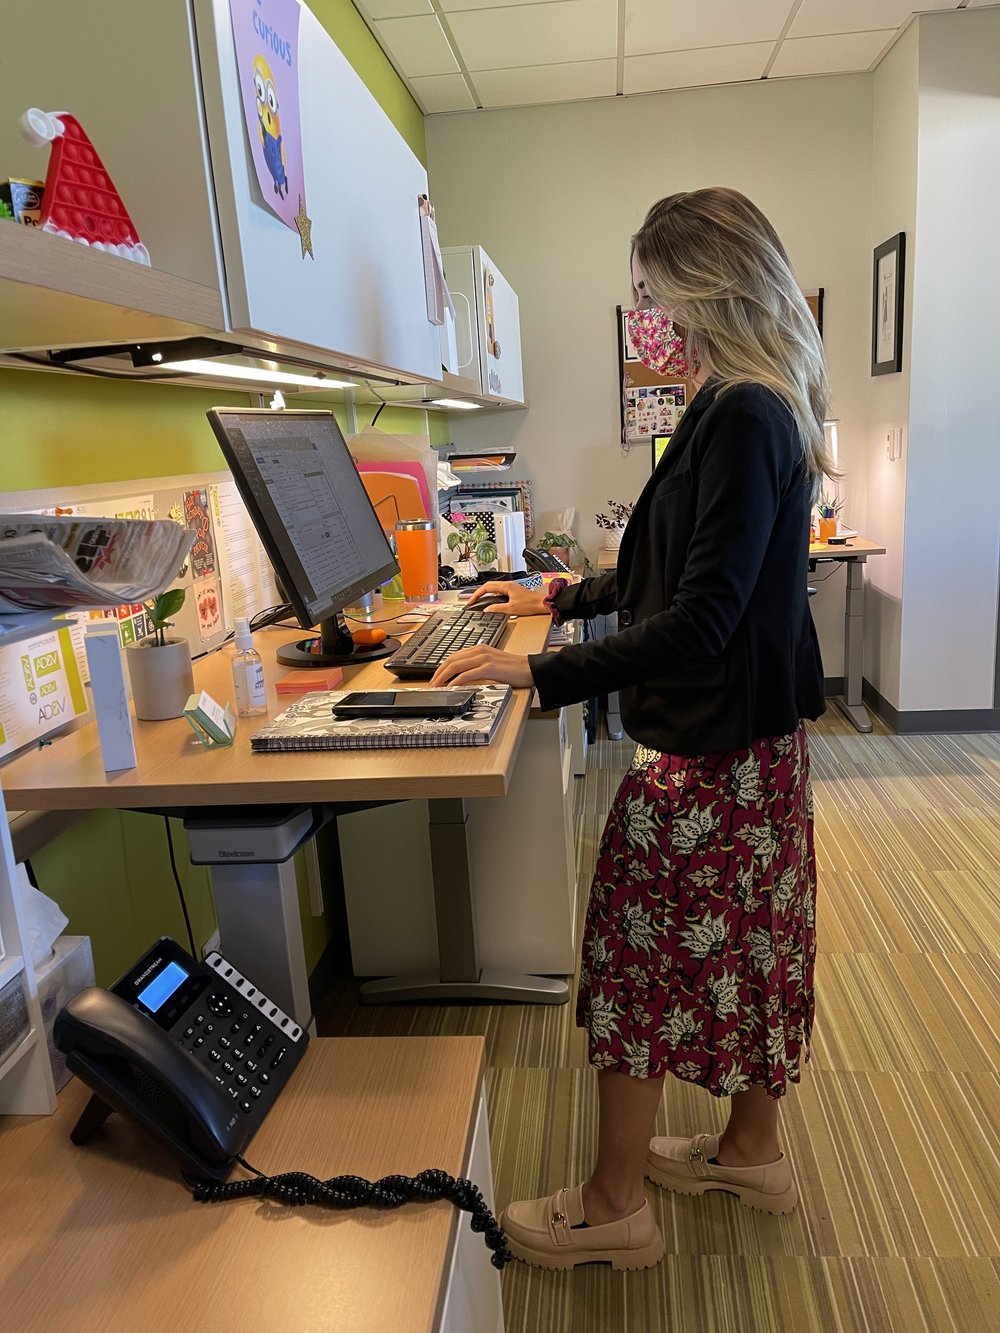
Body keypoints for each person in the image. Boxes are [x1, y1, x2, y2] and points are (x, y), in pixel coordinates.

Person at [430, 187, 831, 1271]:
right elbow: (676, 571)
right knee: (751, 946)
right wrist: (557, 600)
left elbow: (698, 617)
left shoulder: (743, 411)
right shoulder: (735, 400)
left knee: (635, 953)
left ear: (707, 284)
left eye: (655, 292)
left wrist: (541, 674)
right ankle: (752, 1150)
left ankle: (615, 1207)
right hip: (750, 749)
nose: (648, 313)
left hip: (712, 752)